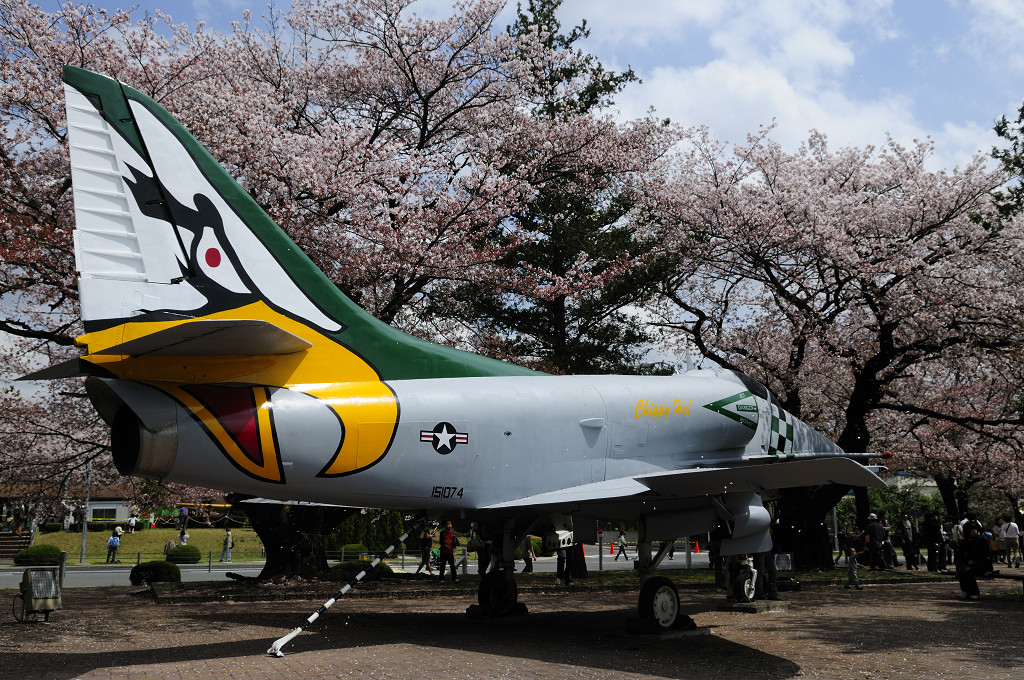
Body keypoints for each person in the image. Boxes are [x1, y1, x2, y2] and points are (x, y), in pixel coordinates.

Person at [956, 523, 993, 600]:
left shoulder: (981, 540)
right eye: (972, 529)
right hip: (969, 564)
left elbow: (987, 555)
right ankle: (965, 590)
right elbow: (961, 555)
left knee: (968, 571)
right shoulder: (965, 541)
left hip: (981, 564)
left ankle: (974, 592)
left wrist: (989, 569)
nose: (974, 531)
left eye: (975, 529)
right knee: (961, 571)